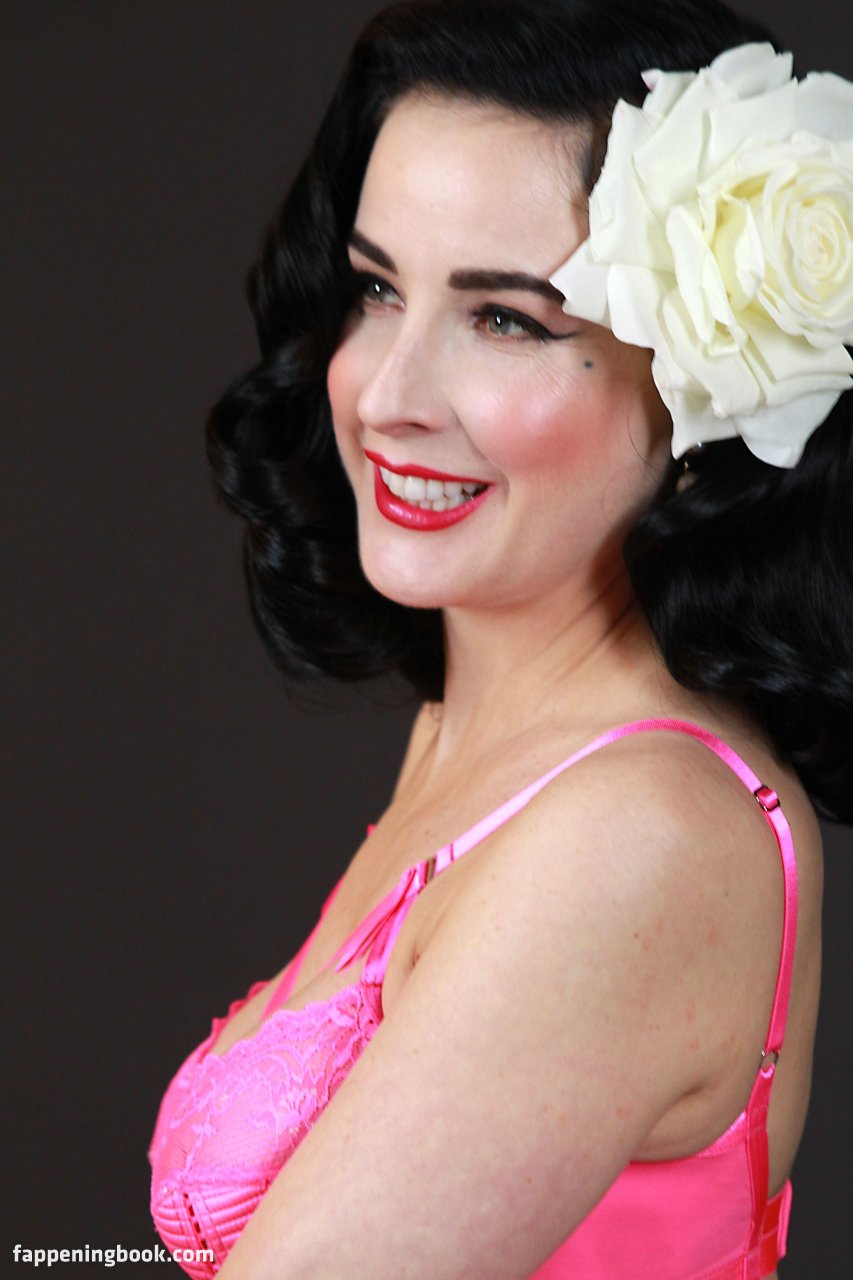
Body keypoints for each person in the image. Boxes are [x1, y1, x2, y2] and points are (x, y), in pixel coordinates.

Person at [148, 1, 853, 1276]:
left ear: (706, 391)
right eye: (376, 289)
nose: (388, 395)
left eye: (506, 319)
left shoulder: (639, 833)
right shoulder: (472, 733)